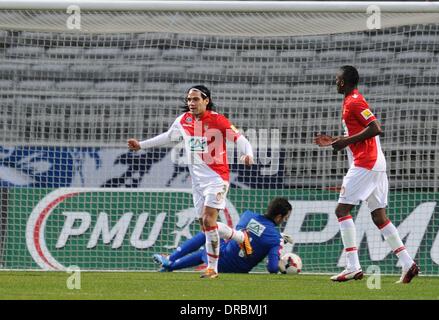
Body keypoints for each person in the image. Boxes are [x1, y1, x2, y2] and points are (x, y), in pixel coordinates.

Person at [128, 85, 254, 279]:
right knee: (206, 226)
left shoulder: (217, 120)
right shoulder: (183, 120)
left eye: (195, 99)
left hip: (217, 178)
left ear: (206, 100)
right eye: (189, 100)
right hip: (197, 182)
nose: (191, 103)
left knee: (208, 220)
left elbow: (239, 139)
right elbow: (168, 137)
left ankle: (213, 268)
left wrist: (248, 154)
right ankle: (240, 236)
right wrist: (141, 145)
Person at [314, 66, 419, 284]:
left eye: (337, 79)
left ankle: (353, 266)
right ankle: (408, 263)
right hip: (375, 164)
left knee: (342, 210)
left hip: (366, 163)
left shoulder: (355, 101)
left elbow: (375, 128)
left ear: (343, 82)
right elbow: (357, 134)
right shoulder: (349, 102)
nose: (335, 82)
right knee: (379, 217)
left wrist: (345, 142)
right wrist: (336, 140)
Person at [153, 197, 293, 274]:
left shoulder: (247, 216)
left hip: (223, 258)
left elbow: (257, 233)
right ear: (279, 217)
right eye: (286, 217)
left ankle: (171, 260)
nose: (285, 220)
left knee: (208, 236)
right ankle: (169, 265)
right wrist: (278, 262)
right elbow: (272, 268)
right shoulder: (275, 239)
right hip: (234, 269)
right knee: (211, 239)